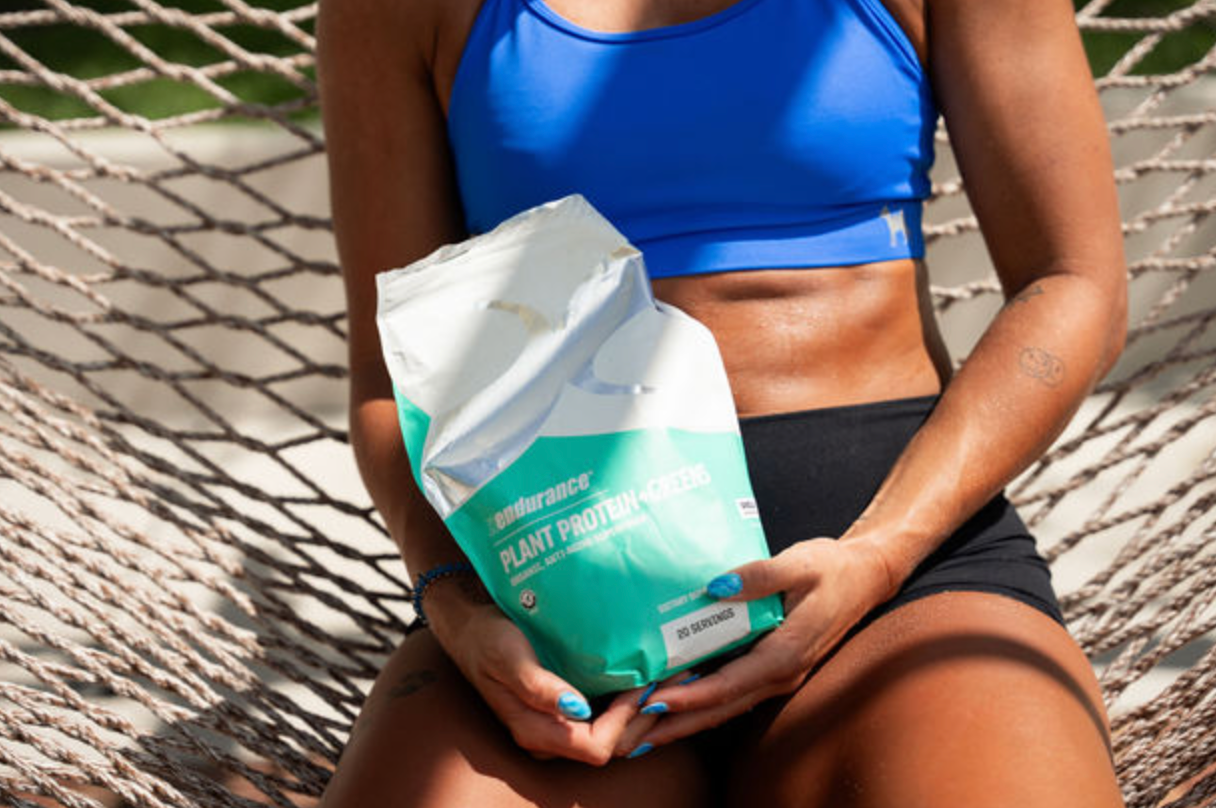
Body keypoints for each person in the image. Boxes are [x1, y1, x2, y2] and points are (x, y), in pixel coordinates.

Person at [315, 0, 1129, 804]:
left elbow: (1074, 282)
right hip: (555, 601)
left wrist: (882, 554)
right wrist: (455, 601)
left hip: (893, 568)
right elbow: (390, 381)